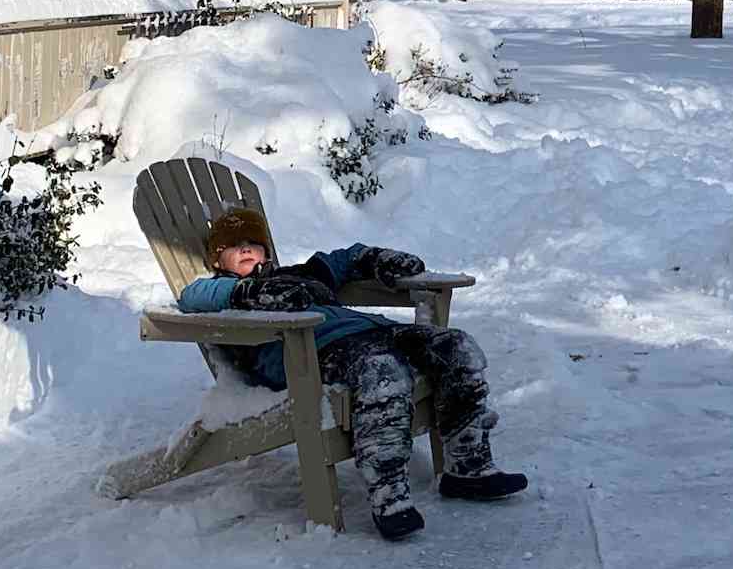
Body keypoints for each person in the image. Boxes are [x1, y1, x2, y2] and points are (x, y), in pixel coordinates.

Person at [180, 207, 527, 539]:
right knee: (383, 372)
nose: (246, 250)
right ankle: (389, 494)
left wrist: (376, 258)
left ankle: (468, 466)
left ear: (266, 253)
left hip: (372, 333)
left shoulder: (300, 275)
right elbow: (191, 295)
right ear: (216, 259)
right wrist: (249, 292)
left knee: (456, 347)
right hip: (314, 353)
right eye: (234, 246)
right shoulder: (223, 293)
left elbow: (344, 258)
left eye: (253, 245)